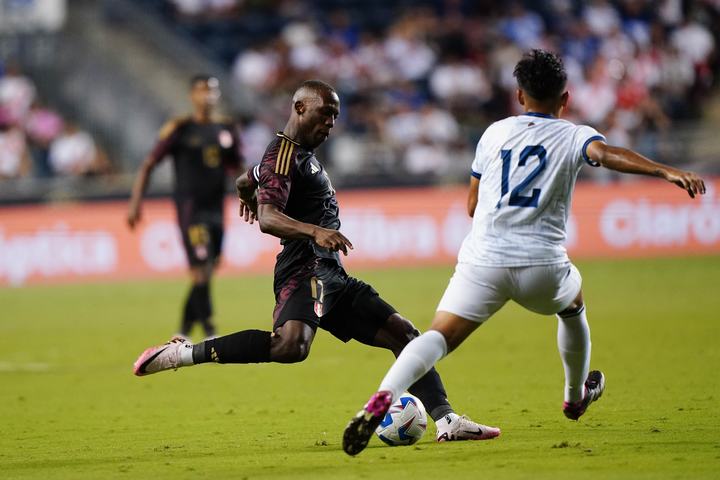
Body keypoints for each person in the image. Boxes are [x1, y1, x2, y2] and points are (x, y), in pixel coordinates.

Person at [342, 49, 706, 456]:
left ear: (519, 95)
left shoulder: (494, 133)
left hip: (484, 261)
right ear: (565, 98)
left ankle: (384, 395)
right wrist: (665, 171)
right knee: (573, 306)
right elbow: (606, 155)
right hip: (542, 265)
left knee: (438, 337)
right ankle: (575, 396)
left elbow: (471, 205)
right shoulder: (574, 135)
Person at [132, 79, 501, 444]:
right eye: (324, 115)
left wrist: (245, 191)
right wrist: (314, 231)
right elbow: (268, 219)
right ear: (299, 108)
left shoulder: (292, 155)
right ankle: (180, 354)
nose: (330, 124)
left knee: (404, 335)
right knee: (290, 346)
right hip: (304, 268)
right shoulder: (282, 154)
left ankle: (447, 420)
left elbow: (248, 178)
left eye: (335, 117)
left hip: (331, 272)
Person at [127, 75, 243, 339]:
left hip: (216, 209)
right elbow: (148, 164)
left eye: (211, 91)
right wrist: (135, 203)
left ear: (217, 95)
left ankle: (183, 330)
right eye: (202, 91)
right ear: (192, 96)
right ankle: (210, 330)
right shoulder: (180, 129)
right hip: (191, 210)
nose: (207, 96)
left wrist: (253, 195)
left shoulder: (226, 129)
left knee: (209, 269)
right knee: (201, 269)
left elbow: (238, 167)